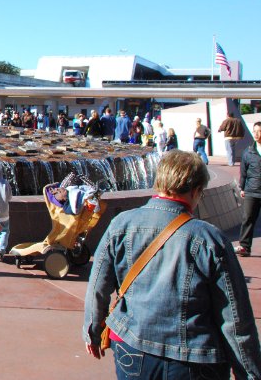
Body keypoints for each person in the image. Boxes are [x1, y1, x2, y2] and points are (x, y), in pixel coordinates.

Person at [83, 150, 261, 379]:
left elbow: (98, 285)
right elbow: (235, 316)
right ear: (196, 191)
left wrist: (92, 331)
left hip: (132, 348)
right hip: (194, 359)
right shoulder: (209, 239)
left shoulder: (121, 224)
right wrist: (249, 371)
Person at [235, 121, 261, 257]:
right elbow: (243, 172)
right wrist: (242, 188)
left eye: (259, 131)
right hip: (252, 191)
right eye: (254, 131)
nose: (256, 134)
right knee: (248, 218)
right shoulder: (248, 151)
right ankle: (244, 246)